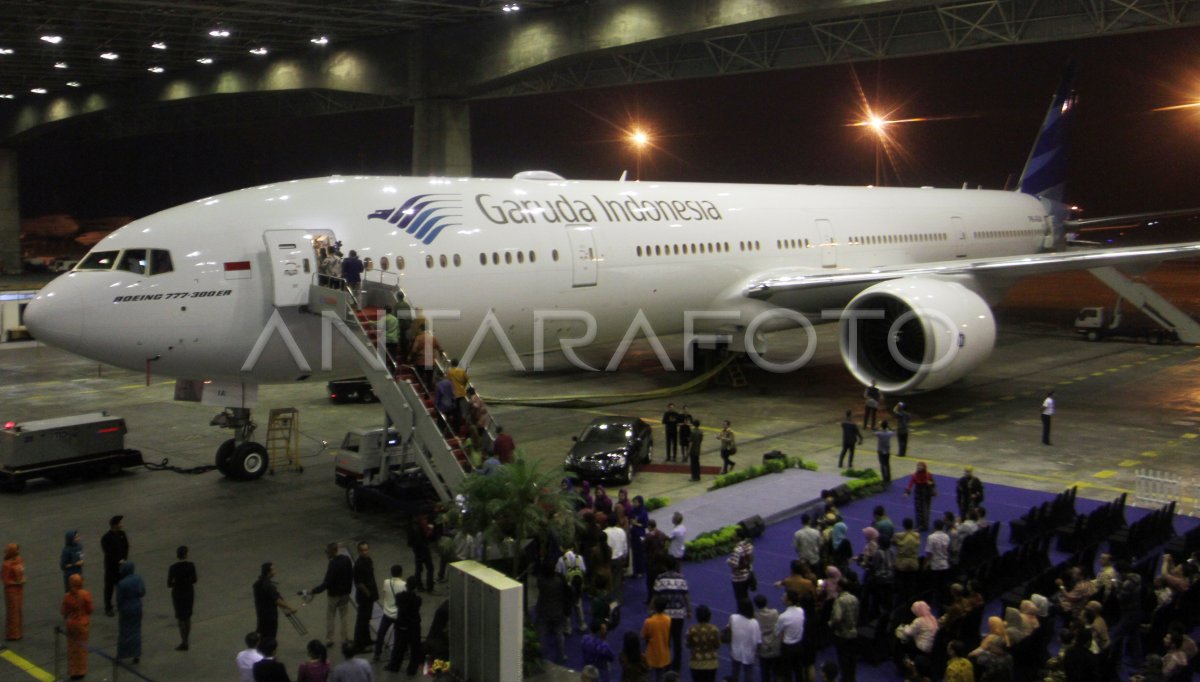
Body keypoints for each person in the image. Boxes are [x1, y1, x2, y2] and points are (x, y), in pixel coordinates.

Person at [311, 542, 354, 648]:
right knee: (343, 616)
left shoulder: (333, 564)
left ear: (333, 551)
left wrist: (315, 590)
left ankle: (330, 639)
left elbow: (327, 582)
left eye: (327, 552)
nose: (326, 554)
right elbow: (351, 575)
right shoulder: (346, 559)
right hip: (345, 593)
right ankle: (344, 638)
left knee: (330, 616)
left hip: (334, 594)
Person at [652, 556, 690, 671]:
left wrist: (651, 609)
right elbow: (686, 596)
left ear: (665, 566)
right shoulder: (681, 578)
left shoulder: (660, 578)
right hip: (678, 613)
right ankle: (677, 665)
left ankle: (666, 663)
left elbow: (655, 595)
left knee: (666, 640)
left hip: (665, 614)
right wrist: (689, 610)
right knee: (677, 639)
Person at [61, 574, 94, 681]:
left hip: (71, 624)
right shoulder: (85, 594)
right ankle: (81, 671)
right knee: (82, 648)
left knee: (72, 649)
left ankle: (73, 671)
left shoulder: (67, 596)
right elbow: (90, 609)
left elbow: (63, 611)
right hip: (82, 625)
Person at [387, 575, 422, 675]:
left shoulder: (399, 597)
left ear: (406, 585)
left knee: (398, 647)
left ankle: (394, 666)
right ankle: (411, 670)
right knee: (415, 649)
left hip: (401, 625)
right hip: (413, 626)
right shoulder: (417, 600)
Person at [255, 562, 297, 643]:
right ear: (268, 572)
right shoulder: (268, 586)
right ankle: (267, 651)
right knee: (270, 635)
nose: (275, 571)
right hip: (269, 615)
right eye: (273, 569)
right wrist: (290, 607)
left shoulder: (258, 583)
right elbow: (276, 599)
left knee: (262, 633)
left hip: (261, 613)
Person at [535, 569, 569, 663]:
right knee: (559, 635)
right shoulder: (559, 582)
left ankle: (540, 657)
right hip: (557, 612)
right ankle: (561, 656)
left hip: (544, 612)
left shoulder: (542, 582)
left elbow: (539, 580)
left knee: (542, 635)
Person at [167, 545, 197, 651]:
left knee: (180, 617)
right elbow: (194, 580)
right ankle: (186, 639)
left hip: (178, 594)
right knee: (188, 616)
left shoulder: (173, 568)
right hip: (188, 592)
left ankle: (183, 641)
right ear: (186, 554)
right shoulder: (191, 565)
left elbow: (169, 584)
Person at [830, 578, 859, 682]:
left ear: (840, 587)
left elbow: (837, 618)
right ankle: (851, 678)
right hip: (853, 632)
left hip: (842, 634)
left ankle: (845, 679)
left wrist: (831, 623)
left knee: (843, 659)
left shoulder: (840, 600)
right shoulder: (854, 598)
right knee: (852, 659)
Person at [115, 561, 145, 663]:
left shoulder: (122, 583)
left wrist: (119, 608)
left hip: (125, 609)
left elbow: (119, 599)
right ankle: (136, 654)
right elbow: (142, 592)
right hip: (136, 607)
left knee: (124, 632)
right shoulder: (138, 579)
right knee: (136, 631)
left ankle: (122, 654)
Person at [374, 564, 405, 661]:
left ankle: (377, 652)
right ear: (401, 573)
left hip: (387, 613)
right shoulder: (404, 585)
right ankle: (397, 654)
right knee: (398, 634)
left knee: (381, 633)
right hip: (398, 614)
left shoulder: (386, 582)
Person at [728, 598, 762, 682]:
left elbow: (729, 629)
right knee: (748, 674)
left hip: (736, 649)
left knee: (735, 672)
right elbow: (757, 640)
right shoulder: (754, 622)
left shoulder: (733, 618)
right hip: (749, 651)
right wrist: (757, 652)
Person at [101, 514, 129, 617]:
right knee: (109, 588)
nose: (122, 524)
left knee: (121, 587)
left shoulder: (122, 534)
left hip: (121, 567)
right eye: (120, 523)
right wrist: (118, 560)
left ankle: (120, 604)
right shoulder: (106, 538)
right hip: (111, 567)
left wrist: (124, 559)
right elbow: (108, 552)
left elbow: (126, 547)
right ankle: (108, 607)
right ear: (115, 525)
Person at [352, 542, 377, 652]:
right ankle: (359, 645)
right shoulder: (358, 565)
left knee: (366, 619)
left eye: (366, 550)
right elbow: (359, 583)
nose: (364, 552)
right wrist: (369, 594)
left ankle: (367, 640)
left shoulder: (368, 560)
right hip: (364, 597)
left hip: (370, 594)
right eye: (362, 550)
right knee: (361, 621)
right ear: (358, 551)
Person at [686, 604, 721, 682]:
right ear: (709, 616)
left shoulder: (691, 630)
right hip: (711, 663)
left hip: (696, 663)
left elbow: (688, 644)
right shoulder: (714, 629)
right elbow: (718, 645)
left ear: (697, 616)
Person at [754, 594, 782, 681]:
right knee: (776, 672)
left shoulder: (755, 616)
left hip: (763, 647)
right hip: (775, 645)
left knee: (765, 673)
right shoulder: (774, 612)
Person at [642, 596, 672, 678]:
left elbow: (643, 636)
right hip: (664, 653)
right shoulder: (668, 620)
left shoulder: (648, 621)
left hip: (651, 653)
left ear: (654, 607)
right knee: (660, 676)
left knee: (649, 675)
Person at [409, 324, 442, 390]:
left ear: (420, 329)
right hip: (430, 361)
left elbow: (414, 349)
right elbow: (439, 348)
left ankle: (421, 389)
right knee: (429, 378)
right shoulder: (432, 338)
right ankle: (427, 393)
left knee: (420, 377)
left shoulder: (418, 338)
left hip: (421, 360)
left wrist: (411, 357)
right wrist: (441, 355)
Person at [904, 462, 936, 531]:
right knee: (918, 509)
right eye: (918, 466)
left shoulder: (928, 475)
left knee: (926, 510)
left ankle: (925, 524)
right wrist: (907, 492)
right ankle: (919, 524)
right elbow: (910, 484)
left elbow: (933, 483)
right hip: (918, 494)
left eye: (921, 466)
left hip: (926, 494)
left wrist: (930, 483)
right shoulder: (915, 475)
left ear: (924, 467)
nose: (919, 467)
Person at [728, 526, 755, 603]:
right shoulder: (749, 546)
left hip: (738, 578)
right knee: (745, 595)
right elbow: (751, 558)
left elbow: (734, 564)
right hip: (747, 574)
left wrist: (728, 561)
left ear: (739, 537)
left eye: (735, 535)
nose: (733, 537)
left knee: (740, 598)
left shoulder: (737, 549)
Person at [3, 543, 24, 641]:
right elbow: (5, 580)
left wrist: (23, 579)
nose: (18, 551)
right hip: (11, 591)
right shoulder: (6, 565)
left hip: (19, 589)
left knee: (18, 611)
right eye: (17, 550)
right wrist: (17, 582)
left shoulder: (19, 560)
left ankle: (18, 632)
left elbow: (22, 571)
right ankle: (12, 634)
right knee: (13, 612)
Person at [409, 515, 435, 592]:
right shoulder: (422, 521)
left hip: (416, 549)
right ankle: (430, 587)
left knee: (418, 569)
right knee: (430, 568)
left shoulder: (413, 524)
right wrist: (430, 530)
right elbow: (426, 535)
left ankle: (419, 586)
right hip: (423, 549)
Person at [446, 358, 470, 429]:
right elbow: (466, 378)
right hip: (461, 392)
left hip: (453, 393)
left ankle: (455, 425)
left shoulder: (450, 372)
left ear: (451, 364)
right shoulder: (462, 371)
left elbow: (448, 381)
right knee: (458, 408)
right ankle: (458, 423)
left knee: (455, 409)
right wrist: (463, 385)